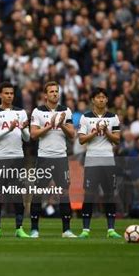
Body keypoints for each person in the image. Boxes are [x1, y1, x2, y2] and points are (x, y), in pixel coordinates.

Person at [30, 81, 77, 238]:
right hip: (44, 157)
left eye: (56, 91)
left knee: (64, 192)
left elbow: (72, 135)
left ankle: (66, 230)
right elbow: (33, 134)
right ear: (45, 95)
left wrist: (61, 124)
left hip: (60, 158)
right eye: (51, 91)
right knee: (38, 193)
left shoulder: (66, 111)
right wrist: (50, 125)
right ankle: (34, 229)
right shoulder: (38, 111)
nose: (55, 94)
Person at [0, 82, 30, 238]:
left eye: (11, 93)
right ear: (0, 95)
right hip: (1, 158)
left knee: (17, 194)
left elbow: (27, 138)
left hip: (17, 157)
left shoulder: (21, 112)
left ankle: (19, 228)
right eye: (6, 93)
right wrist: (8, 129)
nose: (9, 96)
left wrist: (23, 128)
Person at [78, 88, 121, 238]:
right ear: (93, 100)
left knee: (109, 194)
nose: (101, 99)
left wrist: (107, 132)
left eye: (103, 97)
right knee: (89, 195)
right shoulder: (86, 117)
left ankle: (111, 229)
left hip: (108, 160)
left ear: (107, 100)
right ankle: (85, 230)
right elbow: (81, 140)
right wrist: (95, 132)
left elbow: (117, 139)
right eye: (98, 97)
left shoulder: (113, 117)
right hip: (92, 160)